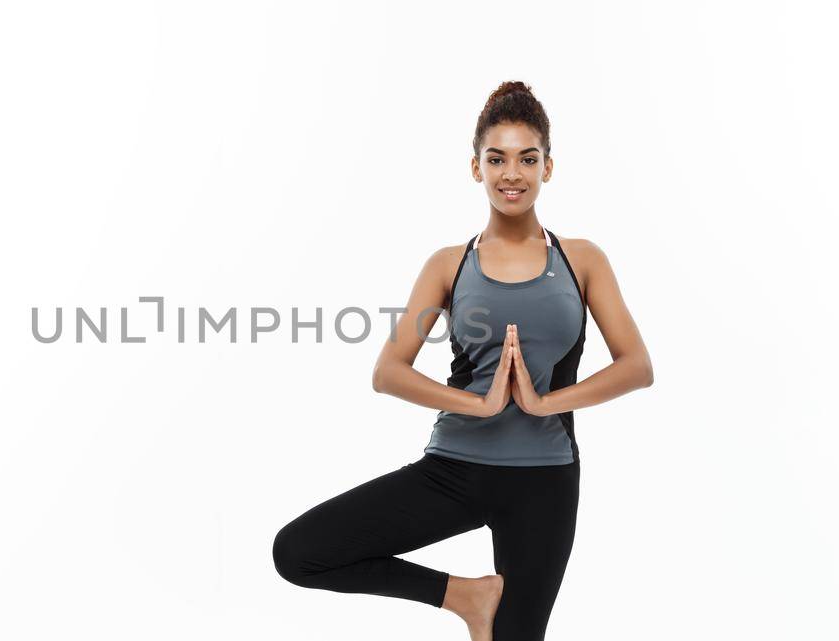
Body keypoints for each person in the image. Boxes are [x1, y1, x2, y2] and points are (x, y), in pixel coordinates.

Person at [271, 81, 655, 641]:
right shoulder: (450, 265)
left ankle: (485, 609)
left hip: (544, 480)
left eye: (528, 158)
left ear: (549, 168)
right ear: (476, 168)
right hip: (454, 469)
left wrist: (545, 401)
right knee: (299, 552)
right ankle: (466, 597)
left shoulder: (581, 260)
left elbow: (636, 365)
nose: (512, 174)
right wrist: (478, 404)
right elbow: (389, 371)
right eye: (496, 159)